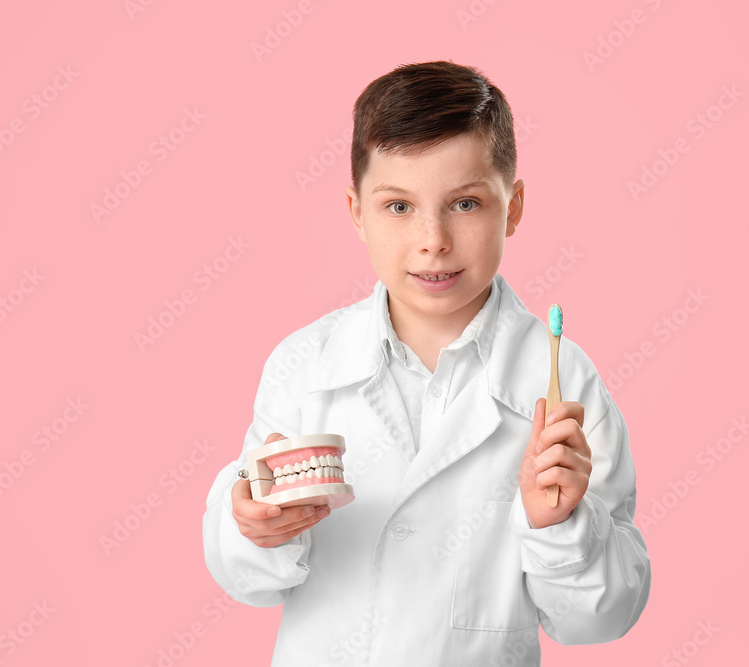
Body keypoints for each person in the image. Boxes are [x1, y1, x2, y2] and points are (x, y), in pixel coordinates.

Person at [202, 59, 650, 666]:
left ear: (512, 208)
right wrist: (254, 527)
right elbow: (247, 580)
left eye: (465, 205)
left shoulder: (563, 382)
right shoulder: (305, 365)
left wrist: (561, 526)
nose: (433, 238)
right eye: (398, 207)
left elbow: (602, 618)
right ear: (357, 211)